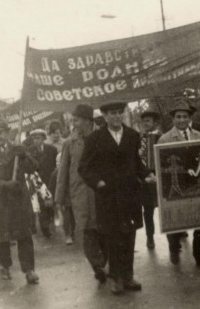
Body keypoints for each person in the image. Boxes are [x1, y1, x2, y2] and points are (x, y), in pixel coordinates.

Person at [78, 101, 156, 295]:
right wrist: (98, 183)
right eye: (112, 113)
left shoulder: (132, 135)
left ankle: (128, 276)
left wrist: (146, 174)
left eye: (120, 113)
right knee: (112, 236)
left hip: (130, 194)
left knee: (129, 235)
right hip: (108, 196)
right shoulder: (95, 139)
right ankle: (115, 277)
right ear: (105, 116)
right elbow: (84, 168)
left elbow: (136, 161)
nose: (117, 117)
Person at [0, 118, 40, 284]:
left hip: (19, 200)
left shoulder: (18, 150)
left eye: (1, 133)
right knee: (2, 236)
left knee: (24, 235)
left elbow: (33, 167)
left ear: (7, 133)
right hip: (0, 201)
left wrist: (24, 155)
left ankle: (29, 270)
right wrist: (5, 185)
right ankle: (5, 266)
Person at [55, 104, 108, 283]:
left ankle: (103, 260)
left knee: (103, 227)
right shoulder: (70, 142)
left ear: (87, 120)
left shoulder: (103, 137)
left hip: (100, 190)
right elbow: (63, 171)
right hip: (80, 192)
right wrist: (59, 197)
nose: (73, 123)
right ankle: (97, 265)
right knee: (86, 229)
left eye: (76, 119)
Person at [157, 100, 200, 266]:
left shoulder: (199, 136)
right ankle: (174, 246)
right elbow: (161, 165)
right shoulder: (165, 139)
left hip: (196, 183)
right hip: (176, 184)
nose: (181, 120)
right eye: (178, 117)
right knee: (175, 219)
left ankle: (199, 253)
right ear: (173, 119)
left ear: (190, 118)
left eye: (185, 116)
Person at [139, 107, 163, 250]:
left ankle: (178, 234)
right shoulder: (140, 139)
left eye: (148, 121)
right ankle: (150, 237)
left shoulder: (162, 137)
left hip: (161, 176)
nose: (145, 124)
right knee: (148, 210)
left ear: (155, 123)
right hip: (147, 178)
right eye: (144, 121)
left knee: (168, 208)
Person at [28, 128, 58, 239]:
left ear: (44, 138)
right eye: (34, 138)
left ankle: (51, 220)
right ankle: (45, 230)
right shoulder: (29, 151)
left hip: (51, 180)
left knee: (51, 203)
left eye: (38, 138)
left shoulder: (52, 149)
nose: (36, 140)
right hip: (37, 182)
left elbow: (56, 165)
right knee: (42, 206)